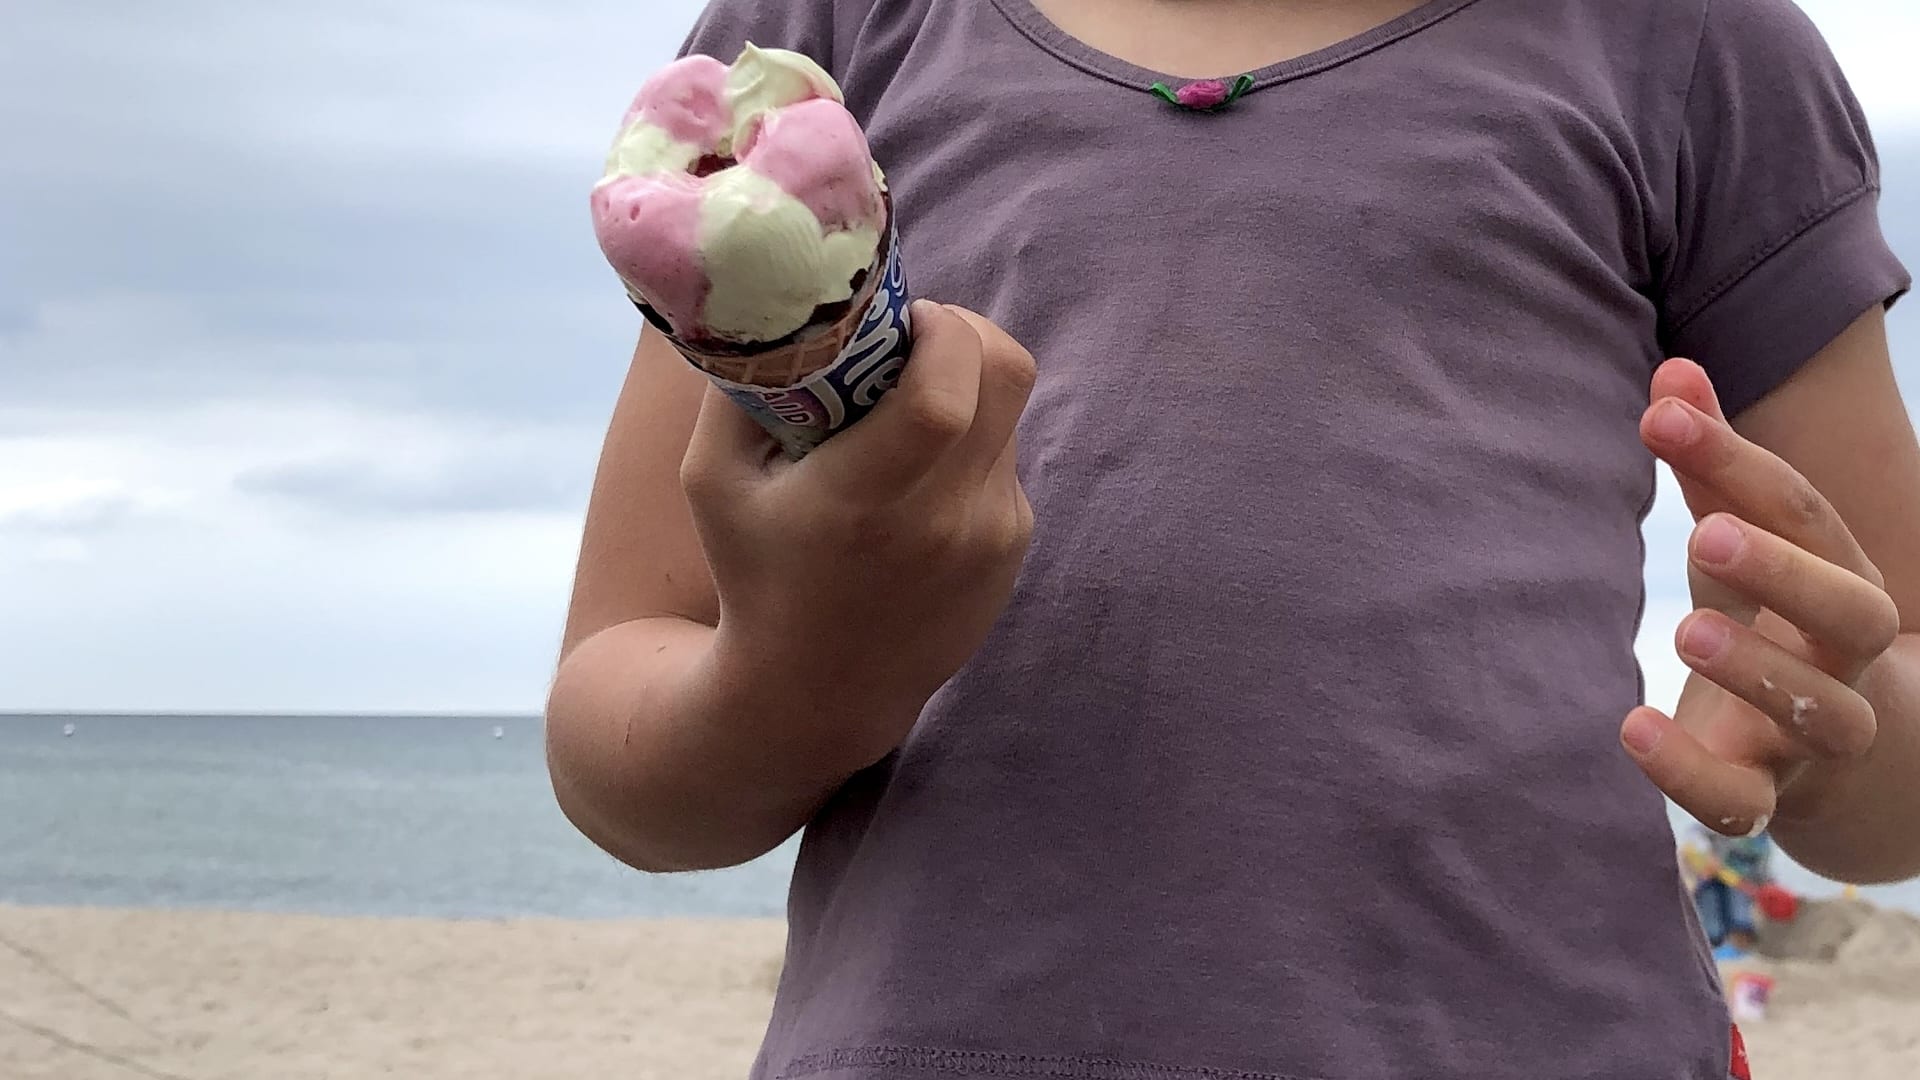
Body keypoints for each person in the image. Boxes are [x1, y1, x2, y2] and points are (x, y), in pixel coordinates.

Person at [545, 2, 1920, 1078]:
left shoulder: (1698, 48)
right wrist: (794, 677)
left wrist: (1822, 716)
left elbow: (1894, 727)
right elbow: (620, 744)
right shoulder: (824, 48)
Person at [1685, 824, 1778, 956]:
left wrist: (1767, 886)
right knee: (1711, 917)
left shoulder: (1762, 840)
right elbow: (1693, 839)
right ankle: (1711, 948)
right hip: (1712, 880)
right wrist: (1706, 859)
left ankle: (1738, 947)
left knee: (1738, 915)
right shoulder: (1720, 825)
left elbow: (1762, 871)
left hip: (1741, 884)